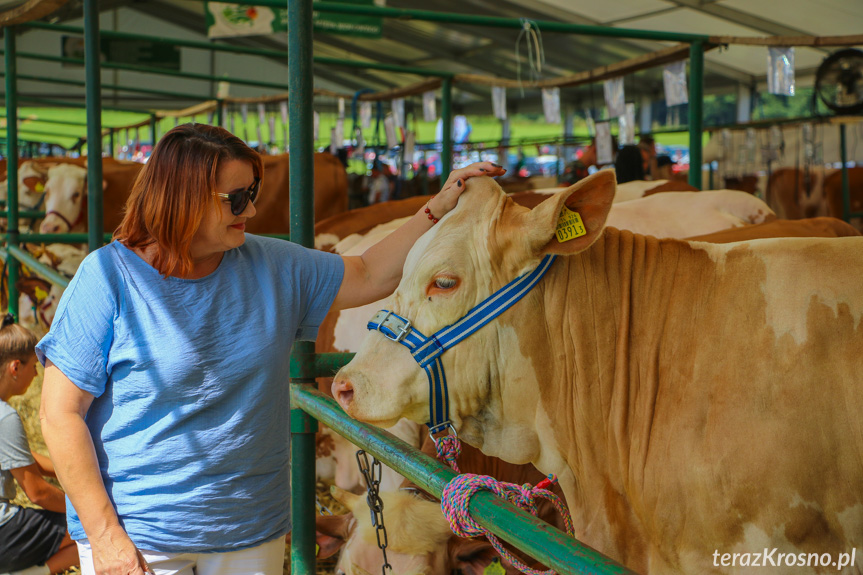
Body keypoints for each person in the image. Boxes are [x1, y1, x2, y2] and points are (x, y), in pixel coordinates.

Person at [36, 123, 505, 575]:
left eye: (252, 192)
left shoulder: (272, 264)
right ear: (181, 198)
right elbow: (60, 414)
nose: (253, 210)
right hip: (142, 533)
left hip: (250, 526)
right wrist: (103, 535)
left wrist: (436, 210)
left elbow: (368, 273)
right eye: (236, 198)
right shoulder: (108, 279)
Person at [0, 315, 78, 575]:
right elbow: (38, 493)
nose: (35, 375)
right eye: (34, 366)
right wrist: (84, 503)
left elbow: (24, 458)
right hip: (3, 535)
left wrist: (78, 473)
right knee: (89, 527)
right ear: (14, 368)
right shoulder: (6, 417)